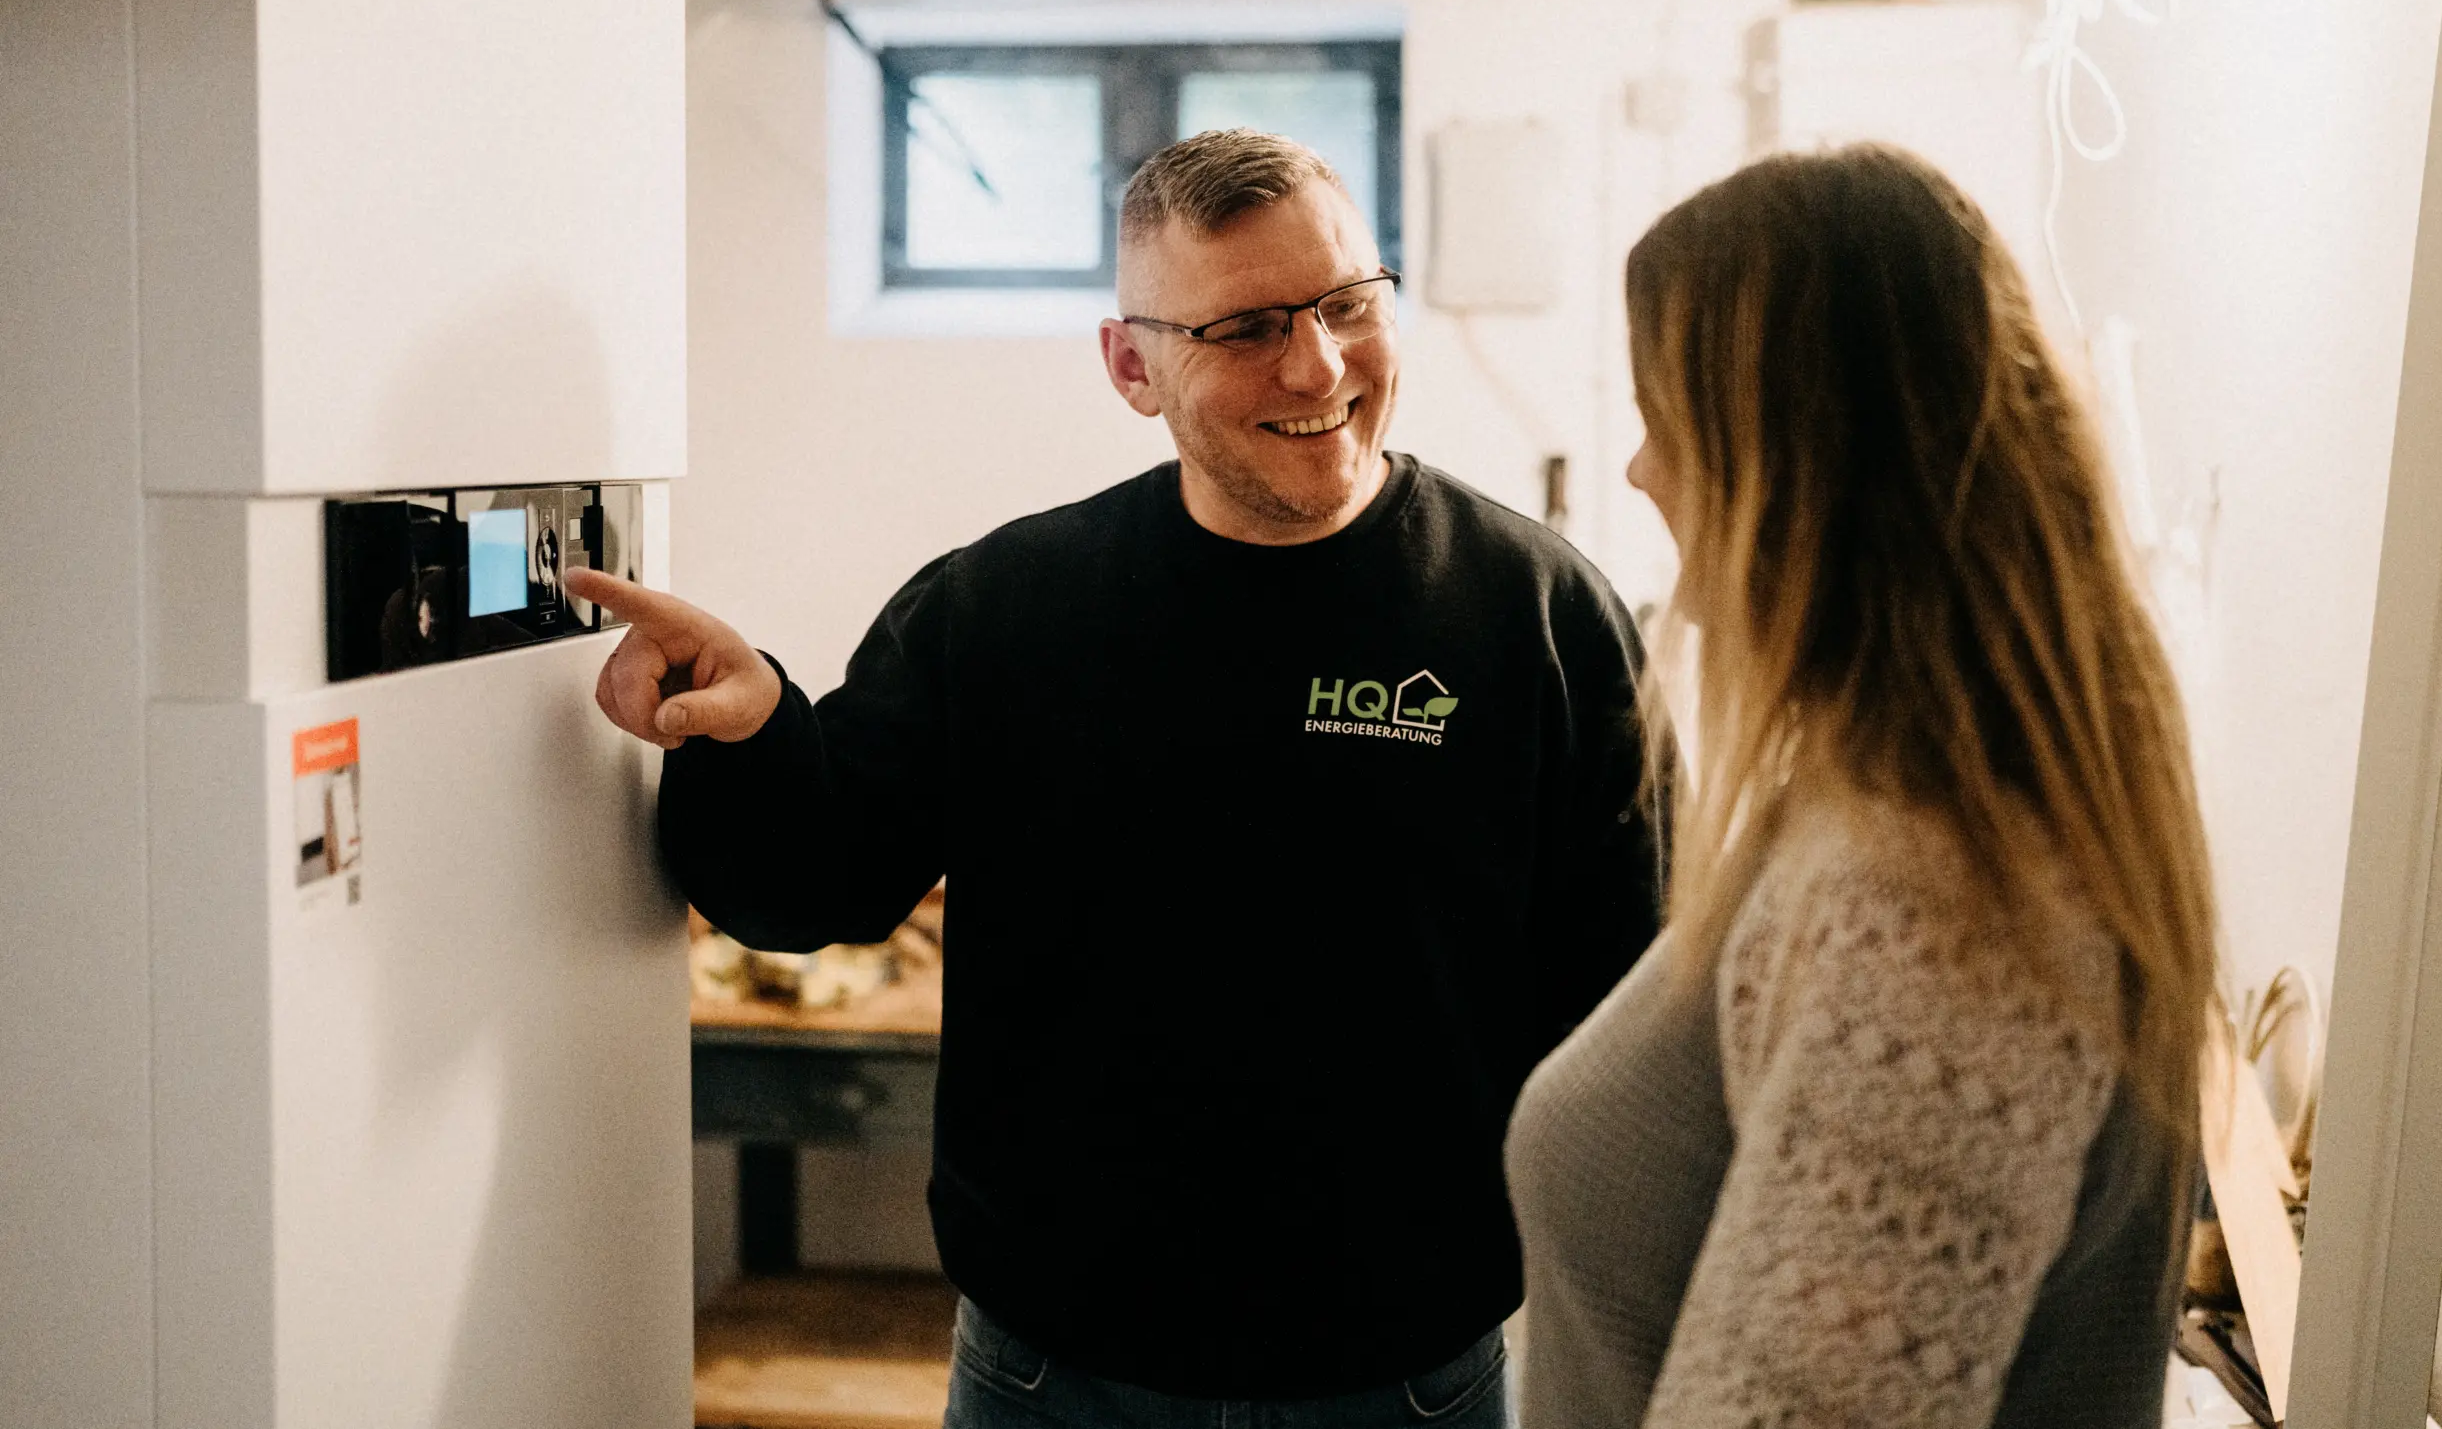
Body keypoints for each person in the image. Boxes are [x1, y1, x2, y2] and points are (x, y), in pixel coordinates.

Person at [569, 130, 1660, 1428]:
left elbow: (1631, 1003)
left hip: (1411, 1375)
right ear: (1131, 365)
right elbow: (818, 883)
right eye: (1248, 326)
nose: (1317, 364)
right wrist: (748, 735)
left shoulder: (1538, 615)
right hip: (1059, 1376)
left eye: (1348, 304)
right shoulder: (1007, 608)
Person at [1505, 144, 2219, 1428]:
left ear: (1798, 464)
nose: (1639, 471)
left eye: (1668, 422)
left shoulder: (1939, 893)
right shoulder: (1889, 815)